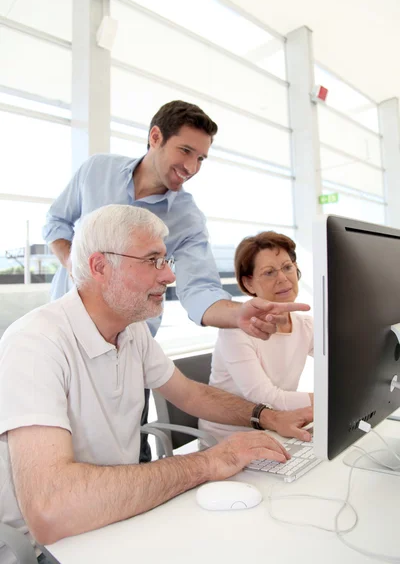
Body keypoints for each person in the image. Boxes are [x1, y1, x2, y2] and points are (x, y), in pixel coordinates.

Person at [0, 206, 313, 562]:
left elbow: (192, 394)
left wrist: (267, 417)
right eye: (153, 261)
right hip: (48, 549)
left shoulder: (131, 330)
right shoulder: (36, 342)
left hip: (117, 518)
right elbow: (50, 511)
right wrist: (210, 462)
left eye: (166, 261)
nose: (169, 276)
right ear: (100, 267)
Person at [42, 100, 309, 461]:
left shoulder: (186, 218)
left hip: (126, 347)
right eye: (186, 150)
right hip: (70, 334)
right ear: (155, 137)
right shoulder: (96, 172)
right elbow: (56, 223)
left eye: (201, 158)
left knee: (128, 453)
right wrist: (77, 268)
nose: (192, 167)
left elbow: (197, 289)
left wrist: (238, 315)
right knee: (58, 447)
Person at [199, 231, 314, 442]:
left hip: (278, 431)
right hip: (229, 440)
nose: (282, 278)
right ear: (249, 283)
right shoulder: (236, 329)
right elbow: (265, 398)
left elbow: (341, 360)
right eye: (269, 272)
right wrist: (323, 400)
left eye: (287, 267)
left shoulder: (305, 324)